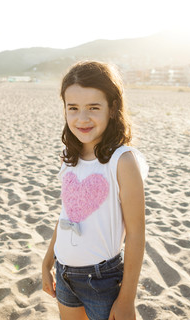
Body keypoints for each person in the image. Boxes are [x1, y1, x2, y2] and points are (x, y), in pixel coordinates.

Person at [42, 61, 148, 320]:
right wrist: (48, 260)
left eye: (93, 108)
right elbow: (68, 214)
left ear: (112, 108)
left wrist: (127, 299)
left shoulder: (122, 161)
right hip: (65, 273)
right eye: (73, 108)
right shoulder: (70, 155)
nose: (82, 118)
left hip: (102, 280)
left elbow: (136, 234)